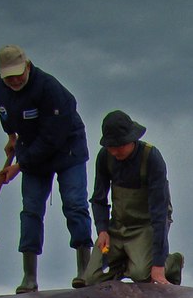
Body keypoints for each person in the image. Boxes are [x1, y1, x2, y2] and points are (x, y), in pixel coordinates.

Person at [0, 45, 95, 293]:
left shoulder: (50, 89)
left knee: (74, 204)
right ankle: (29, 277)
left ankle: (85, 270)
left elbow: (52, 138)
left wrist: (19, 166)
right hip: (30, 148)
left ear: (27, 65)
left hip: (66, 147)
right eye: (9, 77)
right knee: (31, 210)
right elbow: (5, 114)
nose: (14, 80)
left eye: (18, 74)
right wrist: (12, 137)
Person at [75, 110, 184, 288]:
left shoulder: (151, 158)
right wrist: (102, 229)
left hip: (146, 224)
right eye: (111, 146)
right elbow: (99, 199)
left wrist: (157, 265)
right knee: (92, 280)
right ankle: (131, 259)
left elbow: (160, 214)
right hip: (118, 225)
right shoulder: (105, 157)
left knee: (142, 275)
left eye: (120, 145)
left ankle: (171, 262)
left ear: (132, 139)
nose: (115, 151)